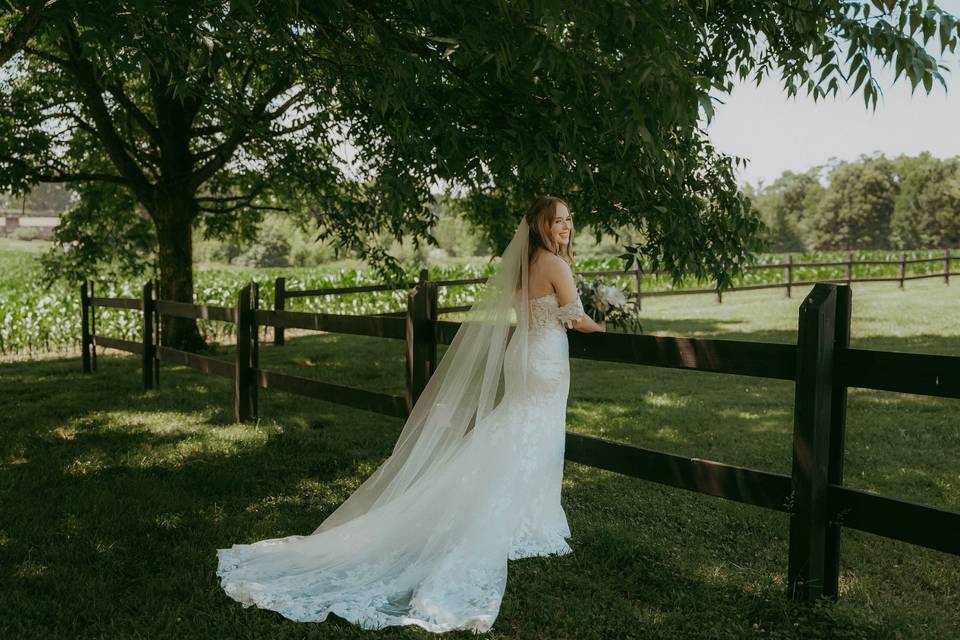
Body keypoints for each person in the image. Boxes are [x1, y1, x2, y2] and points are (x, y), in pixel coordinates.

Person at [216, 195, 605, 633]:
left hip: (524, 354)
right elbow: (576, 317)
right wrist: (609, 316)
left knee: (518, 428)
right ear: (540, 225)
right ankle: (530, 520)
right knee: (536, 431)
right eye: (559, 221)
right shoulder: (555, 264)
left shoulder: (523, 263)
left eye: (570, 219)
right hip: (546, 358)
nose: (567, 227)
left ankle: (525, 515)